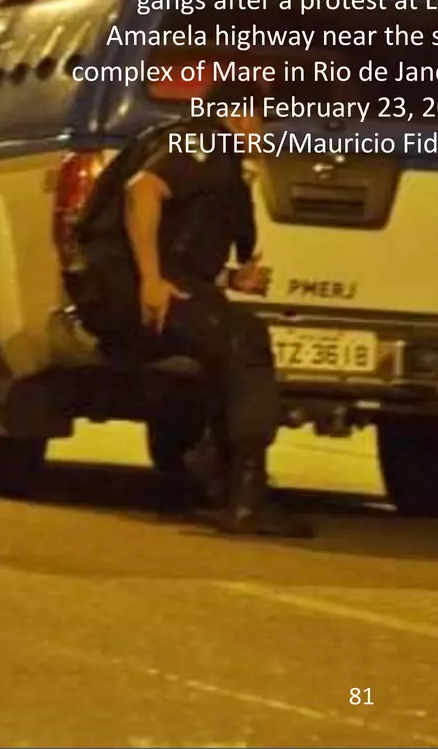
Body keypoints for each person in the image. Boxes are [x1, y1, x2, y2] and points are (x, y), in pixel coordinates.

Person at [63, 81, 312, 539]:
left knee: (222, 341)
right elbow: (144, 191)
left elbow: (179, 243)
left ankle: (213, 471)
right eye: (261, 119)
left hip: (118, 287)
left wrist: (230, 280)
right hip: (127, 290)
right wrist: (152, 280)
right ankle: (246, 498)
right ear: (238, 116)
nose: (265, 132)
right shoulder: (205, 142)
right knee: (245, 340)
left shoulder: (196, 146)